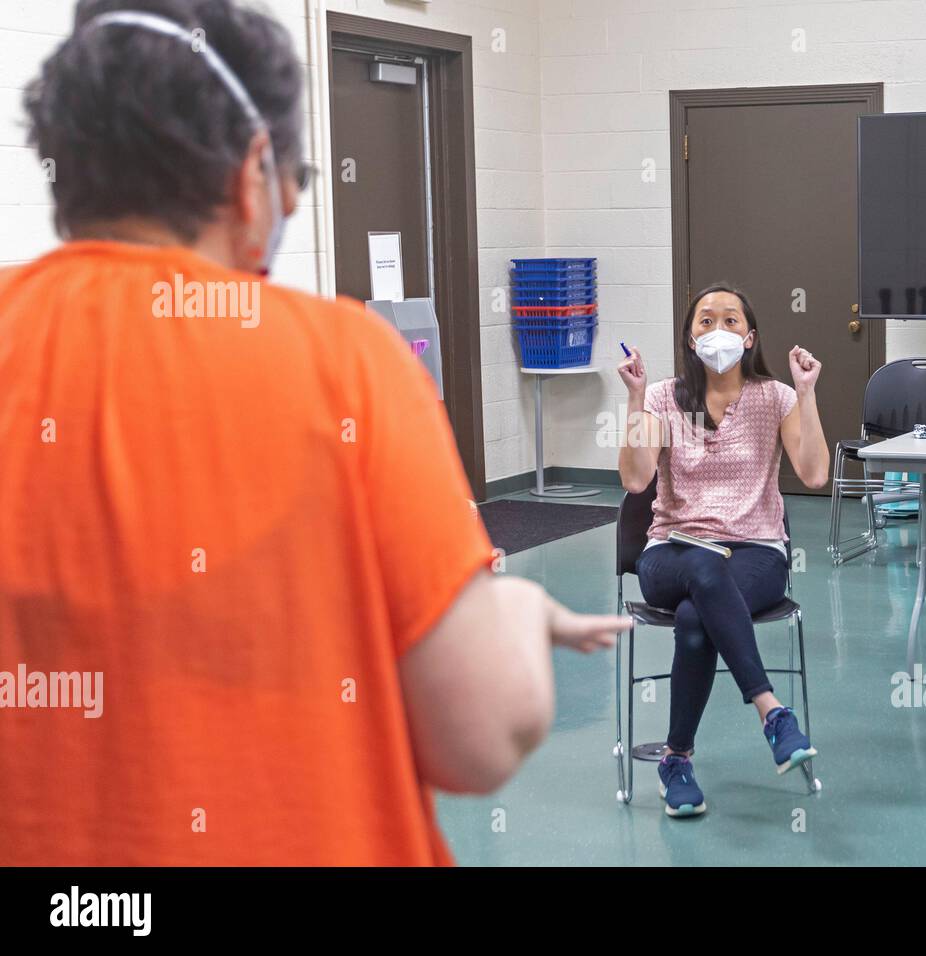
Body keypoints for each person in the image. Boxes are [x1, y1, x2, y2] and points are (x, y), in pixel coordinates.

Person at [0, 0, 626, 866]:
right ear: (253, 171)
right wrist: (517, 609)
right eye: (296, 178)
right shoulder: (347, 362)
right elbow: (478, 733)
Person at [617, 283, 829, 817]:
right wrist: (635, 399)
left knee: (695, 618)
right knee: (704, 569)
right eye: (705, 321)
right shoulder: (665, 397)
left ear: (750, 336)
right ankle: (772, 712)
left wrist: (806, 393)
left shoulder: (775, 397)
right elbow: (636, 479)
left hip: (755, 550)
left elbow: (815, 472)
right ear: (690, 339)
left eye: (731, 320)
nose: (718, 331)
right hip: (670, 551)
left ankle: (676, 760)